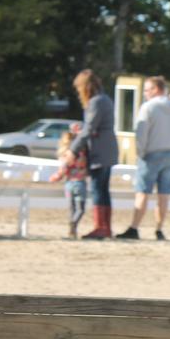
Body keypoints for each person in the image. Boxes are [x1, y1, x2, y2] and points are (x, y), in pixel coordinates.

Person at [117, 76, 170, 240]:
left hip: (151, 153)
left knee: (142, 192)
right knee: (164, 194)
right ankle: (159, 229)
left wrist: (140, 152)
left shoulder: (148, 107)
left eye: (147, 90)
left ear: (156, 89)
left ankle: (134, 227)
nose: (145, 93)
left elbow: (141, 132)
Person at [69, 69, 118, 240]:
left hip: (100, 151)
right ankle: (106, 227)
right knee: (103, 190)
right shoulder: (105, 99)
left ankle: (100, 227)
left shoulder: (96, 102)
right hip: (108, 149)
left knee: (98, 189)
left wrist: (72, 150)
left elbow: (90, 129)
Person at [48, 123, 88, 238]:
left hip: (69, 184)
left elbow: (63, 170)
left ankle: (72, 228)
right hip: (80, 183)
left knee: (72, 208)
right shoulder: (82, 154)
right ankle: (74, 224)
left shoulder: (66, 154)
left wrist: (54, 178)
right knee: (80, 209)